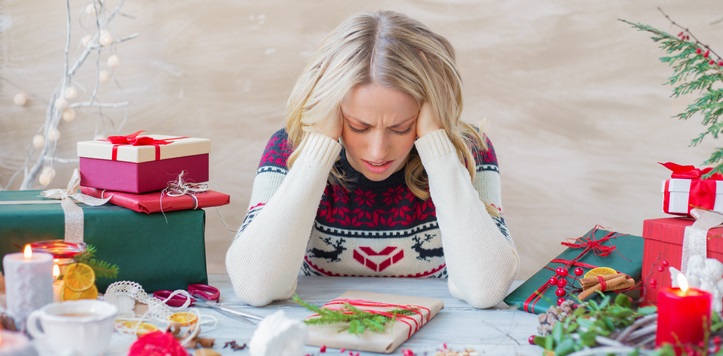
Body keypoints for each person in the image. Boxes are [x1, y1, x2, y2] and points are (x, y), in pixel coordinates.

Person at [226, 9, 519, 309]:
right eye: (359, 127)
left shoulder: (470, 152)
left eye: (401, 128)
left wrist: (437, 145)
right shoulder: (288, 149)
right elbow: (255, 285)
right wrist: (318, 148)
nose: (378, 151)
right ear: (334, 110)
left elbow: (486, 288)